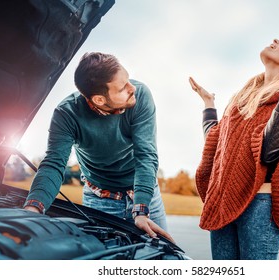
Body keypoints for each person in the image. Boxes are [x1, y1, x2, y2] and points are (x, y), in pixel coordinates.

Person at [189, 39, 279, 259]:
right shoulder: (243, 98)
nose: (275, 41)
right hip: (223, 198)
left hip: (259, 206)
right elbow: (216, 144)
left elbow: (269, 154)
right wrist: (209, 104)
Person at [24, 52, 173, 242]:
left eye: (128, 79)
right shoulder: (66, 114)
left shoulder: (141, 96)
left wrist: (141, 209)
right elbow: (54, 164)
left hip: (145, 195)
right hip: (100, 201)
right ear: (99, 100)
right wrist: (33, 208)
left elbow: (146, 155)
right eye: (122, 88)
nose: (132, 88)